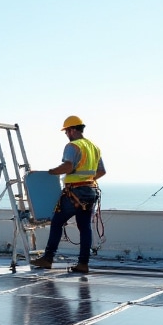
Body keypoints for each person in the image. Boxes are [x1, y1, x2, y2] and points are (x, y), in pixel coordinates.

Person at [30, 115, 105, 274]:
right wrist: (87, 180)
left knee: (57, 222)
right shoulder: (94, 147)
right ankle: (83, 263)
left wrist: (51, 172)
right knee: (85, 227)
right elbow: (101, 171)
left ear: (72, 130)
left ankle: (48, 258)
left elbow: (68, 167)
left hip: (75, 192)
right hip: (90, 192)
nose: (66, 134)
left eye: (66, 131)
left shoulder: (73, 146)